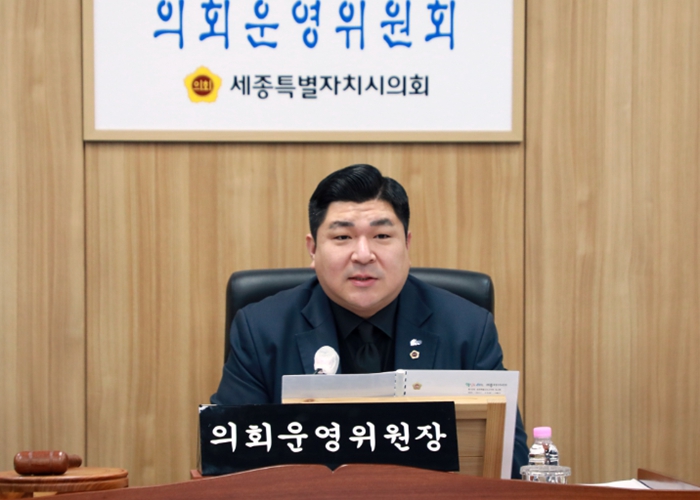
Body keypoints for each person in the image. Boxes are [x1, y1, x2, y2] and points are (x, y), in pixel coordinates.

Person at [212, 164, 529, 477]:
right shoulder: (260, 329)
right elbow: (228, 464)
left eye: (381, 235)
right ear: (313, 249)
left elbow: (509, 465)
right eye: (342, 237)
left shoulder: (467, 329)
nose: (363, 254)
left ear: (407, 244)